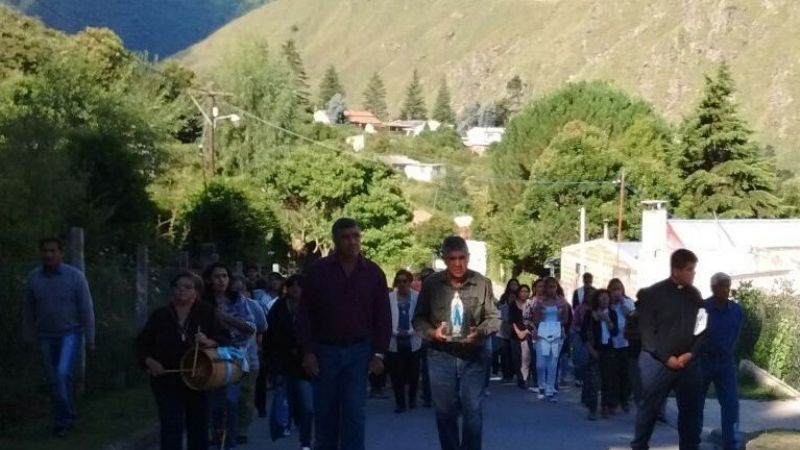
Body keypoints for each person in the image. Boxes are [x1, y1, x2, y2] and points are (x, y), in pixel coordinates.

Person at [296, 218, 391, 450]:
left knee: (354, 413)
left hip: (359, 352)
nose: (352, 242)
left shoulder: (373, 273)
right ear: (335, 240)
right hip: (324, 351)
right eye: (346, 237)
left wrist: (379, 353)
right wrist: (307, 352)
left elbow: (383, 317)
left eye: (356, 236)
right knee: (325, 413)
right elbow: (304, 315)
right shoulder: (318, 271)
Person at [413, 235, 500, 450]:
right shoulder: (432, 284)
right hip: (441, 355)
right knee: (445, 413)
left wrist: (480, 332)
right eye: (452, 258)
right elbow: (418, 319)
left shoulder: (482, 283)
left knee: (472, 410)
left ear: (468, 257)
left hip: (474, 356)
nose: (458, 263)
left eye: (462, 258)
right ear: (444, 259)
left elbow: (494, 318)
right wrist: (433, 333)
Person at [135, 271, 228, 450]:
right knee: (171, 426)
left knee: (198, 428)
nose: (181, 290)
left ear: (196, 291)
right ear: (172, 290)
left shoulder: (207, 312)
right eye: (177, 286)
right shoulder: (161, 315)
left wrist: (209, 341)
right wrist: (149, 361)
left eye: (187, 287)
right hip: (167, 379)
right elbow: (141, 344)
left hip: (199, 379)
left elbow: (225, 339)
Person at [631, 249, 706, 450]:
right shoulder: (653, 294)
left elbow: (702, 327)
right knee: (650, 408)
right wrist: (667, 358)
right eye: (689, 269)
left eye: (693, 269)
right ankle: (639, 445)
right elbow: (647, 333)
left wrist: (691, 353)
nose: (693, 273)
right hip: (657, 362)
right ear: (676, 270)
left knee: (691, 410)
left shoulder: (694, 295)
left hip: (687, 362)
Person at [23, 237, 96, 438]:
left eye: (53, 251)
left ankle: (63, 421)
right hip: (45, 335)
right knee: (54, 379)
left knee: (63, 373)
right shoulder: (34, 278)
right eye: (45, 251)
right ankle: (67, 412)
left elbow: (86, 309)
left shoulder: (75, 277)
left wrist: (90, 338)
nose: (49, 255)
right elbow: (29, 309)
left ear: (61, 253)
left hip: (69, 334)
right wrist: (28, 334)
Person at [203, 263, 257, 450]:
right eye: (217, 276)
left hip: (235, 357)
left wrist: (225, 318)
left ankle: (230, 442)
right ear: (209, 280)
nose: (221, 280)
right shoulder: (203, 303)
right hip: (210, 357)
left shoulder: (238, 300)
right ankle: (216, 436)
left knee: (232, 401)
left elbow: (250, 327)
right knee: (214, 403)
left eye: (224, 276)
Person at [266, 275, 314, 450]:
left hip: (305, 363)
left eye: (299, 285)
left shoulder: (312, 307)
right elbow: (269, 337)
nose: (295, 288)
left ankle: (305, 441)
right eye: (292, 285)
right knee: (289, 400)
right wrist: (271, 364)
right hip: (284, 363)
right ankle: (288, 424)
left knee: (308, 405)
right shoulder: (278, 308)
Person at [699, 273, 743, 450]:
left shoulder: (736, 310)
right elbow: (696, 334)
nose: (726, 290)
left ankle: (730, 441)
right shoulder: (703, 308)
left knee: (731, 402)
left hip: (726, 362)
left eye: (728, 286)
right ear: (713, 287)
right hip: (704, 361)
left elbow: (737, 331)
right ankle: (693, 439)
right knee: (696, 402)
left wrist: (731, 349)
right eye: (722, 286)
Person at [230, 275, 267, 445]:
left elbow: (262, 327)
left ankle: (242, 429)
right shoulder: (222, 306)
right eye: (235, 289)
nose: (239, 293)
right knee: (230, 397)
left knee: (245, 395)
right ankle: (226, 426)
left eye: (242, 289)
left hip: (249, 359)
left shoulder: (253, 306)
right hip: (227, 358)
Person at [387, 269, 422, 413]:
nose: (401, 284)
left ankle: (412, 398)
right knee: (396, 374)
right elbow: (385, 318)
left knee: (414, 374)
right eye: (399, 281)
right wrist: (395, 332)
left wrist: (410, 332)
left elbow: (420, 318)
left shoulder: (417, 297)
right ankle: (400, 403)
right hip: (394, 340)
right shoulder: (389, 298)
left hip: (413, 339)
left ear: (410, 282)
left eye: (404, 281)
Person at [580, 289, 619, 420]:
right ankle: (592, 408)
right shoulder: (590, 314)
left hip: (608, 349)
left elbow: (615, 332)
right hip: (595, 348)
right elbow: (583, 334)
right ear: (597, 299)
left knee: (608, 379)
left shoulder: (612, 313)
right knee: (593, 381)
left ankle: (605, 406)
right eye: (602, 298)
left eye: (607, 298)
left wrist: (607, 320)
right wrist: (590, 349)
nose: (605, 300)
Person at [532, 277, 569, 401]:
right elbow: (535, 319)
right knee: (540, 364)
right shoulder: (539, 301)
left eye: (554, 287)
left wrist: (559, 320)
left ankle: (550, 390)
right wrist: (540, 314)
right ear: (545, 288)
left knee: (552, 363)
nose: (552, 289)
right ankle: (541, 385)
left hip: (556, 333)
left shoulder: (562, 301)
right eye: (549, 287)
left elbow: (566, 319)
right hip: (542, 332)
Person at [608, 278, 635, 413]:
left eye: (618, 289)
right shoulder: (608, 304)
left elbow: (632, 316)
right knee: (613, 373)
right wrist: (612, 305)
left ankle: (624, 399)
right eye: (613, 289)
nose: (616, 292)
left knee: (625, 372)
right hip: (611, 342)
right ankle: (613, 401)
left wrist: (622, 303)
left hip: (625, 342)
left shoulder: (628, 302)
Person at [417, 267, 436, 407]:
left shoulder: (422, 295)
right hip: (429, 335)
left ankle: (429, 395)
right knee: (428, 367)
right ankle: (429, 395)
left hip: (433, 334)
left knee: (429, 367)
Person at [493, 279, 518, 383]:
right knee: (504, 352)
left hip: (515, 327)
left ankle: (513, 373)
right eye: (512, 284)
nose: (513, 286)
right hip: (504, 327)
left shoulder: (520, 296)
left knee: (514, 353)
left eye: (515, 284)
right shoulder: (504, 297)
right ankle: (506, 374)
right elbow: (499, 308)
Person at [510, 284, 533, 389]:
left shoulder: (531, 304)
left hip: (527, 333)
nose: (524, 293)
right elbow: (512, 320)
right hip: (515, 334)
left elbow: (533, 319)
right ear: (518, 293)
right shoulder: (513, 304)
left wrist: (526, 331)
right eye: (522, 291)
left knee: (526, 357)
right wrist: (518, 332)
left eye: (526, 291)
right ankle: (519, 376)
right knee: (516, 357)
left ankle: (523, 378)